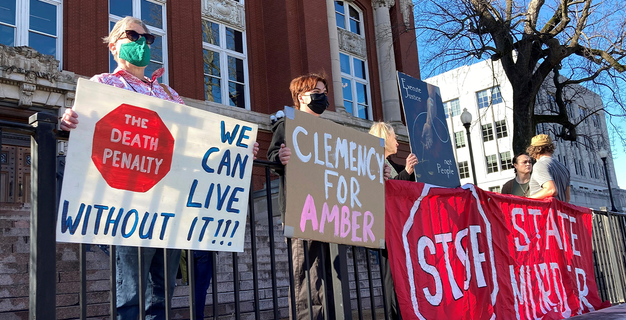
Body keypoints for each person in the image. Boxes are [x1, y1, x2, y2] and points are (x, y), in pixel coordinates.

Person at [60, 16, 258, 319]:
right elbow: (86, 129)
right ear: (114, 46)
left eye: (147, 38)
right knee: (130, 294)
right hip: (126, 206)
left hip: (169, 207)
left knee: (162, 294)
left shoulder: (168, 94)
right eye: (133, 35)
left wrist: (239, 149)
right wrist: (68, 121)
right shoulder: (102, 85)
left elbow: (196, 141)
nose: (141, 42)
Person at [267, 73, 391, 319]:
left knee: (331, 276)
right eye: (318, 93)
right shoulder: (287, 125)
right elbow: (272, 158)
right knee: (305, 274)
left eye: (325, 93)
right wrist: (279, 159)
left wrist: (379, 169)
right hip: (303, 210)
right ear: (302, 97)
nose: (324, 98)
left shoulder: (331, 132)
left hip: (331, 211)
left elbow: (351, 168)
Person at [369, 121, 417, 320]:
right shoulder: (371, 163)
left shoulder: (394, 165)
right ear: (383, 138)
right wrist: (406, 173)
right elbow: (385, 192)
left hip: (401, 228)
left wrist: (410, 173)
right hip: (385, 228)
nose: (397, 142)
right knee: (391, 277)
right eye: (394, 137)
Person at [527, 134, 571, 202]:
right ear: (551, 148)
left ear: (533, 150)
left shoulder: (540, 165)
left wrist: (527, 200)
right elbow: (567, 198)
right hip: (560, 211)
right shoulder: (564, 168)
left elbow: (551, 190)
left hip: (545, 211)